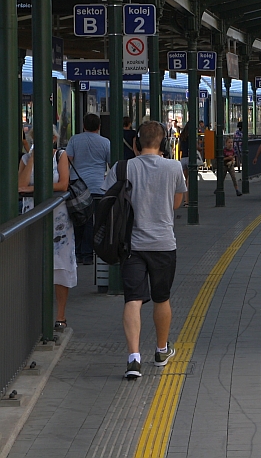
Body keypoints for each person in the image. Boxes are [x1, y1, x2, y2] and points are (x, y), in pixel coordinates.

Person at [106, 121, 187, 380]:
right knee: (161, 298)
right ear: (164, 144)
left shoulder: (124, 167)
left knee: (133, 299)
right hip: (164, 244)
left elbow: (107, 197)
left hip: (131, 245)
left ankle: (133, 358)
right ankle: (161, 351)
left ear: (135, 144)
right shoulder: (174, 167)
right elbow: (176, 204)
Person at [18, 126, 74, 332]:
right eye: (35, 137)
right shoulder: (25, 160)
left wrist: (33, 189)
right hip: (31, 215)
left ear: (53, 138)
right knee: (32, 261)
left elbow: (63, 184)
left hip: (58, 218)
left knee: (60, 263)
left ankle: (60, 315)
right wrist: (32, 157)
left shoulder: (60, 155)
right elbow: (19, 184)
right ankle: (35, 312)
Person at [66, 113, 110, 265]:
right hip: (97, 186)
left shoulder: (74, 140)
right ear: (99, 126)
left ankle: (77, 252)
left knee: (78, 219)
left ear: (83, 125)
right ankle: (88, 254)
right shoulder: (105, 142)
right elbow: (110, 163)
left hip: (77, 188)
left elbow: (68, 161)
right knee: (93, 221)